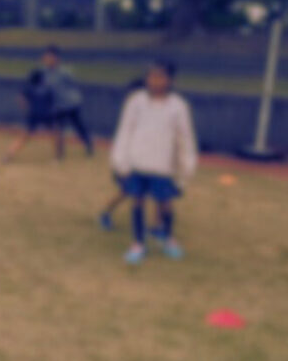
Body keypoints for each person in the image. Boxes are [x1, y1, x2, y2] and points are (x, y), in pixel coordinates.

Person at [110, 60, 198, 264]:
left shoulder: (179, 106)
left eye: (160, 76)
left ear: (170, 80)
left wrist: (185, 169)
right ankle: (138, 242)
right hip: (138, 163)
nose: (155, 81)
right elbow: (125, 131)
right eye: (151, 76)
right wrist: (120, 160)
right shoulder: (135, 101)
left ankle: (167, 238)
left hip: (163, 166)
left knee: (165, 204)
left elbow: (185, 139)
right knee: (137, 201)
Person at [98, 77, 146, 231]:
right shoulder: (131, 114)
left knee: (159, 193)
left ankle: (159, 226)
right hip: (129, 161)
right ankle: (105, 212)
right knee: (128, 191)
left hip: (145, 159)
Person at [41, 45, 94, 158]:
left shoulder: (64, 72)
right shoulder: (44, 73)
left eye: (51, 57)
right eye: (46, 57)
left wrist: (76, 98)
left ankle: (88, 145)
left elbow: (74, 85)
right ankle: (59, 154)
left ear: (56, 58)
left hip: (70, 104)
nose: (48, 60)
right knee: (58, 129)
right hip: (58, 106)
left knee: (78, 126)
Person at [2, 69, 55, 163]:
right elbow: (51, 102)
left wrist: (26, 108)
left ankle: (9, 155)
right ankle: (57, 157)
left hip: (33, 114)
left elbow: (20, 99)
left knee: (24, 136)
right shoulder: (47, 88)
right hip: (46, 114)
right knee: (54, 134)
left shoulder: (30, 87)